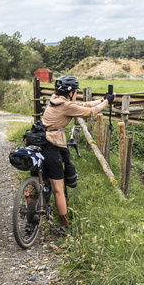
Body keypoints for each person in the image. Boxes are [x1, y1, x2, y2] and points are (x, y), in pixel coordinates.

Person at [40, 76, 114, 235]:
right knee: (58, 188)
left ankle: (31, 216)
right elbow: (89, 112)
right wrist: (106, 103)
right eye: (75, 91)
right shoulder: (66, 106)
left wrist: (102, 99)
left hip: (38, 142)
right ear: (70, 92)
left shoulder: (55, 99)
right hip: (51, 146)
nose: (77, 93)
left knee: (40, 179)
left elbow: (84, 104)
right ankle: (64, 226)